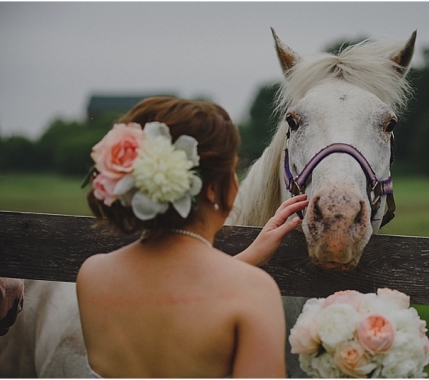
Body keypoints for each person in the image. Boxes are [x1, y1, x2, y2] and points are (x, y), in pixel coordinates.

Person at [76, 97, 308, 378]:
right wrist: (245, 273)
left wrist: (249, 257)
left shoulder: (93, 275)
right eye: (233, 170)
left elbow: (170, 296)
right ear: (211, 189)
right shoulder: (254, 292)